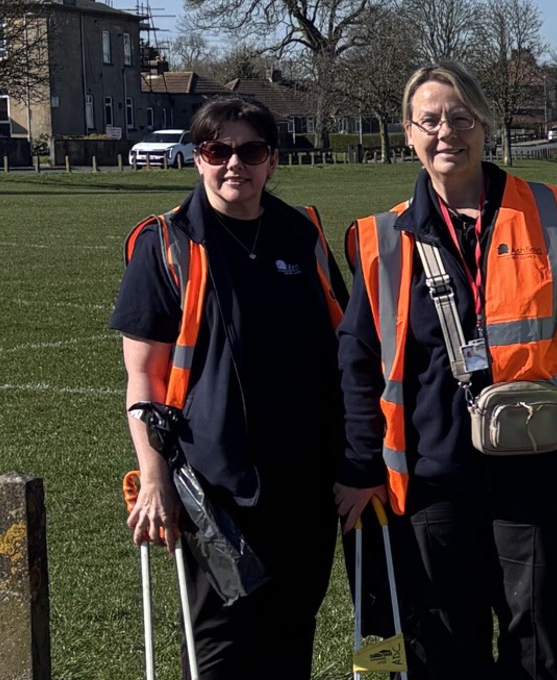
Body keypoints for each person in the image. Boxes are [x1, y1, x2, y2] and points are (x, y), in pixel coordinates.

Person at [336, 64, 557, 679]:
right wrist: (359, 468)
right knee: (443, 640)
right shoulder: (382, 236)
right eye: (429, 120)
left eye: (460, 118)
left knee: (533, 634)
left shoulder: (549, 210)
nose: (446, 133)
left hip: (536, 466)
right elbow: (357, 366)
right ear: (408, 133)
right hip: (432, 476)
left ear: (485, 126)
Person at [114, 95, 344, 678]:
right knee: (220, 653)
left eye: (251, 150)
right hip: (213, 492)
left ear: (272, 161)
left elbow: (345, 354)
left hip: (305, 488)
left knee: (292, 641)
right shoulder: (165, 242)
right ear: (197, 157)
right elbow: (144, 377)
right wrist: (155, 479)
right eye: (218, 150)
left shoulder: (303, 234)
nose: (234, 164)